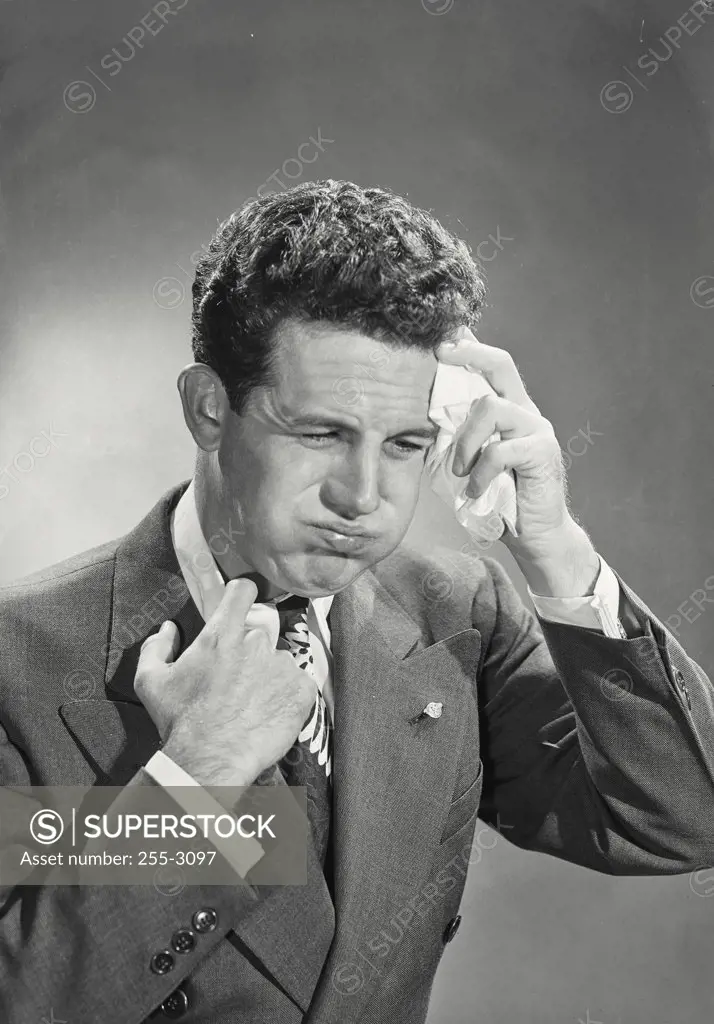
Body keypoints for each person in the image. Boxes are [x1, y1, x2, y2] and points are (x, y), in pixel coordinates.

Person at [0, 179, 712, 1024]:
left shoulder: (457, 614)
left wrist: (552, 544)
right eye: (321, 433)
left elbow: (678, 817)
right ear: (207, 408)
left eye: (406, 443)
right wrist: (199, 780)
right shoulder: (21, 661)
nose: (364, 495)